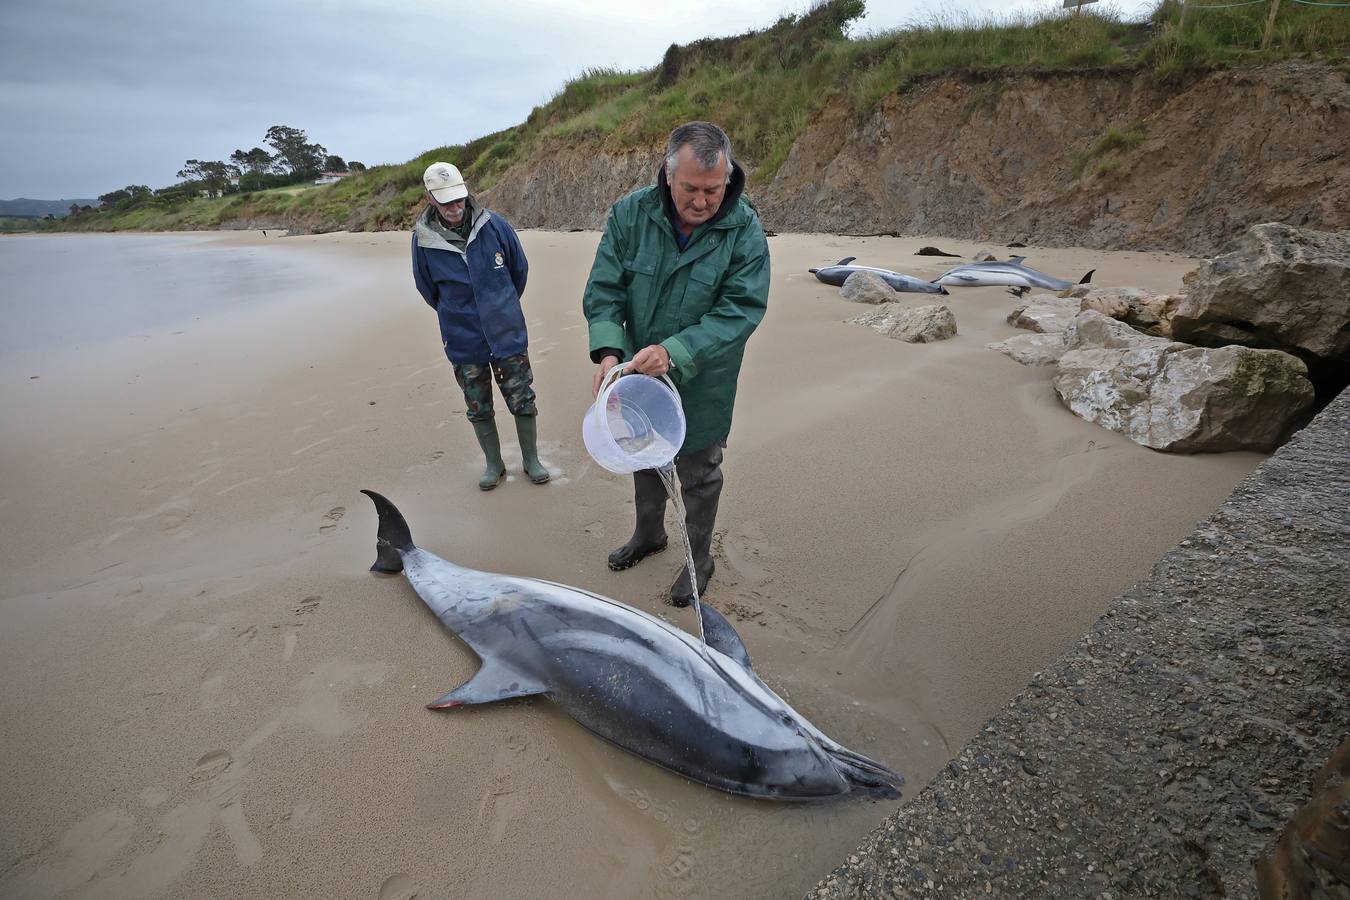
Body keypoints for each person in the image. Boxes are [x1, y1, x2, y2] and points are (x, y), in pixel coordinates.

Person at [581, 122, 770, 606]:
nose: (703, 201)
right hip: (638, 378)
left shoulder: (743, 229)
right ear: (668, 175)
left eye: (713, 189)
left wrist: (676, 353)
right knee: (643, 455)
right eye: (691, 188)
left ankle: (698, 559)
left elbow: (740, 310)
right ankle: (649, 535)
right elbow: (605, 290)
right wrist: (608, 351)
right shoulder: (630, 214)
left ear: (726, 179)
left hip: (706, 380)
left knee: (700, 475)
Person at [412, 161, 549, 490]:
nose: (455, 207)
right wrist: (457, 313)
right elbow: (427, 289)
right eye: (445, 201)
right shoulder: (423, 241)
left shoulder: (495, 226)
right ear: (430, 198)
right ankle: (494, 464)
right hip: (463, 339)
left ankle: (530, 460)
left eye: (458, 198)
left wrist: (500, 306)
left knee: (522, 398)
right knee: (478, 406)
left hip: (506, 331)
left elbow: (519, 271)